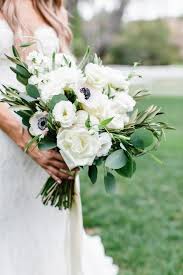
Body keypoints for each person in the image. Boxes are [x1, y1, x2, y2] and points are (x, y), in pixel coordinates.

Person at [0, 1, 119, 274]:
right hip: (5, 141)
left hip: (50, 139)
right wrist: (23, 139)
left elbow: (67, 72)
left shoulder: (51, 5)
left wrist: (81, 133)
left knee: (44, 226)